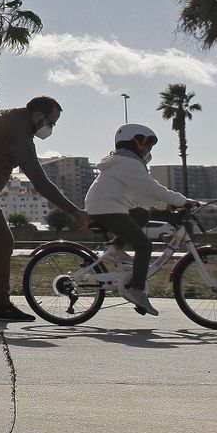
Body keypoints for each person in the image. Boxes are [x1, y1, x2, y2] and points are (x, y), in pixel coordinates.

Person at [0, 95, 93, 321]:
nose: (51, 128)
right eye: (52, 122)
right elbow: (40, 182)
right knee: (3, 241)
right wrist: (75, 211)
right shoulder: (19, 131)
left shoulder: (8, 117)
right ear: (39, 116)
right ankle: (0, 304)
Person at [83, 123, 199, 316]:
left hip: (108, 206)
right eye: (147, 144)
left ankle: (115, 249)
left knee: (142, 213)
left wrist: (168, 205)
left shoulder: (122, 163)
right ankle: (136, 290)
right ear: (134, 141)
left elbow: (141, 196)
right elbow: (150, 187)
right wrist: (181, 200)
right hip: (108, 208)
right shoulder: (129, 163)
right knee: (144, 245)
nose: (148, 149)